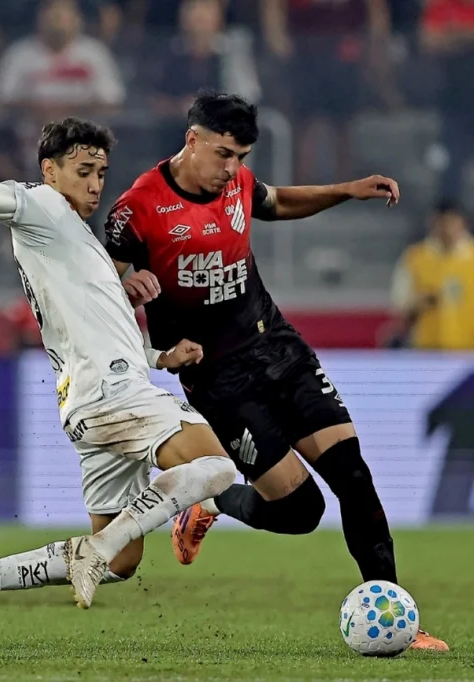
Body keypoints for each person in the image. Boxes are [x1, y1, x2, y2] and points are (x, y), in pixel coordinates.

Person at [104, 93, 447, 652]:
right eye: (223, 154)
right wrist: (149, 339)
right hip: (219, 379)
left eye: (240, 156)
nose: (232, 168)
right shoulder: (137, 208)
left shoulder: (234, 181)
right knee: (301, 511)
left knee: (353, 477)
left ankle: (396, 617)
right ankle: (211, 503)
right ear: (192, 140)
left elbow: (277, 201)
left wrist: (347, 189)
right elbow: (100, 298)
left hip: (279, 349)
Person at [0, 117, 237, 645]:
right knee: (216, 467)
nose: (95, 183)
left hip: (89, 405)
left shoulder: (75, 241)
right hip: (116, 396)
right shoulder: (44, 206)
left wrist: (158, 354)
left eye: (101, 172)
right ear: (50, 172)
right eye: (83, 171)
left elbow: (89, 330)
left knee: (123, 559)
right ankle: (96, 550)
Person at [389, 200, 474, 350]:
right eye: (441, 223)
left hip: (468, 350)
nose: (446, 229)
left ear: (462, 223)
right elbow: (400, 303)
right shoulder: (415, 258)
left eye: (451, 222)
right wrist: (417, 303)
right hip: (427, 351)